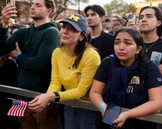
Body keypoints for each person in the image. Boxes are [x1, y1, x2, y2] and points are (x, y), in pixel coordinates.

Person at [28, 14, 101, 129]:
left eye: (72, 29)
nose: (65, 31)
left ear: (82, 37)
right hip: (67, 103)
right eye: (64, 27)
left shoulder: (91, 56)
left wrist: (51, 97)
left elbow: (81, 90)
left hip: (88, 108)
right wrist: (46, 98)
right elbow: (55, 82)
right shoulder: (57, 53)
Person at [0, 0, 60, 128]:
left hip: (42, 99)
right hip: (21, 96)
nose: (32, 7)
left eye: (38, 5)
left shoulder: (51, 32)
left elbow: (39, 64)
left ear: (48, 11)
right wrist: (4, 24)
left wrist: (18, 57)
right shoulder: (23, 32)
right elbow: (1, 49)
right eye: (32, 4)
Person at [90, 27, 162, 129]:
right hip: (109, 121)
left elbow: (157, 103)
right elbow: (95, 92)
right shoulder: (107, 63)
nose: (121, 47)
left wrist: (127, 114)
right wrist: (103, 107)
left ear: (138, 49)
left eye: (127, 43)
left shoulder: (150, 67)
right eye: (117, 43)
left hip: (140, 124)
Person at [139, 6, 162, 76]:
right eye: (141, 17)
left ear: (158, 23)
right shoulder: (132, 45)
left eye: (149, 16)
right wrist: (154, 70)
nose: (143, 19)